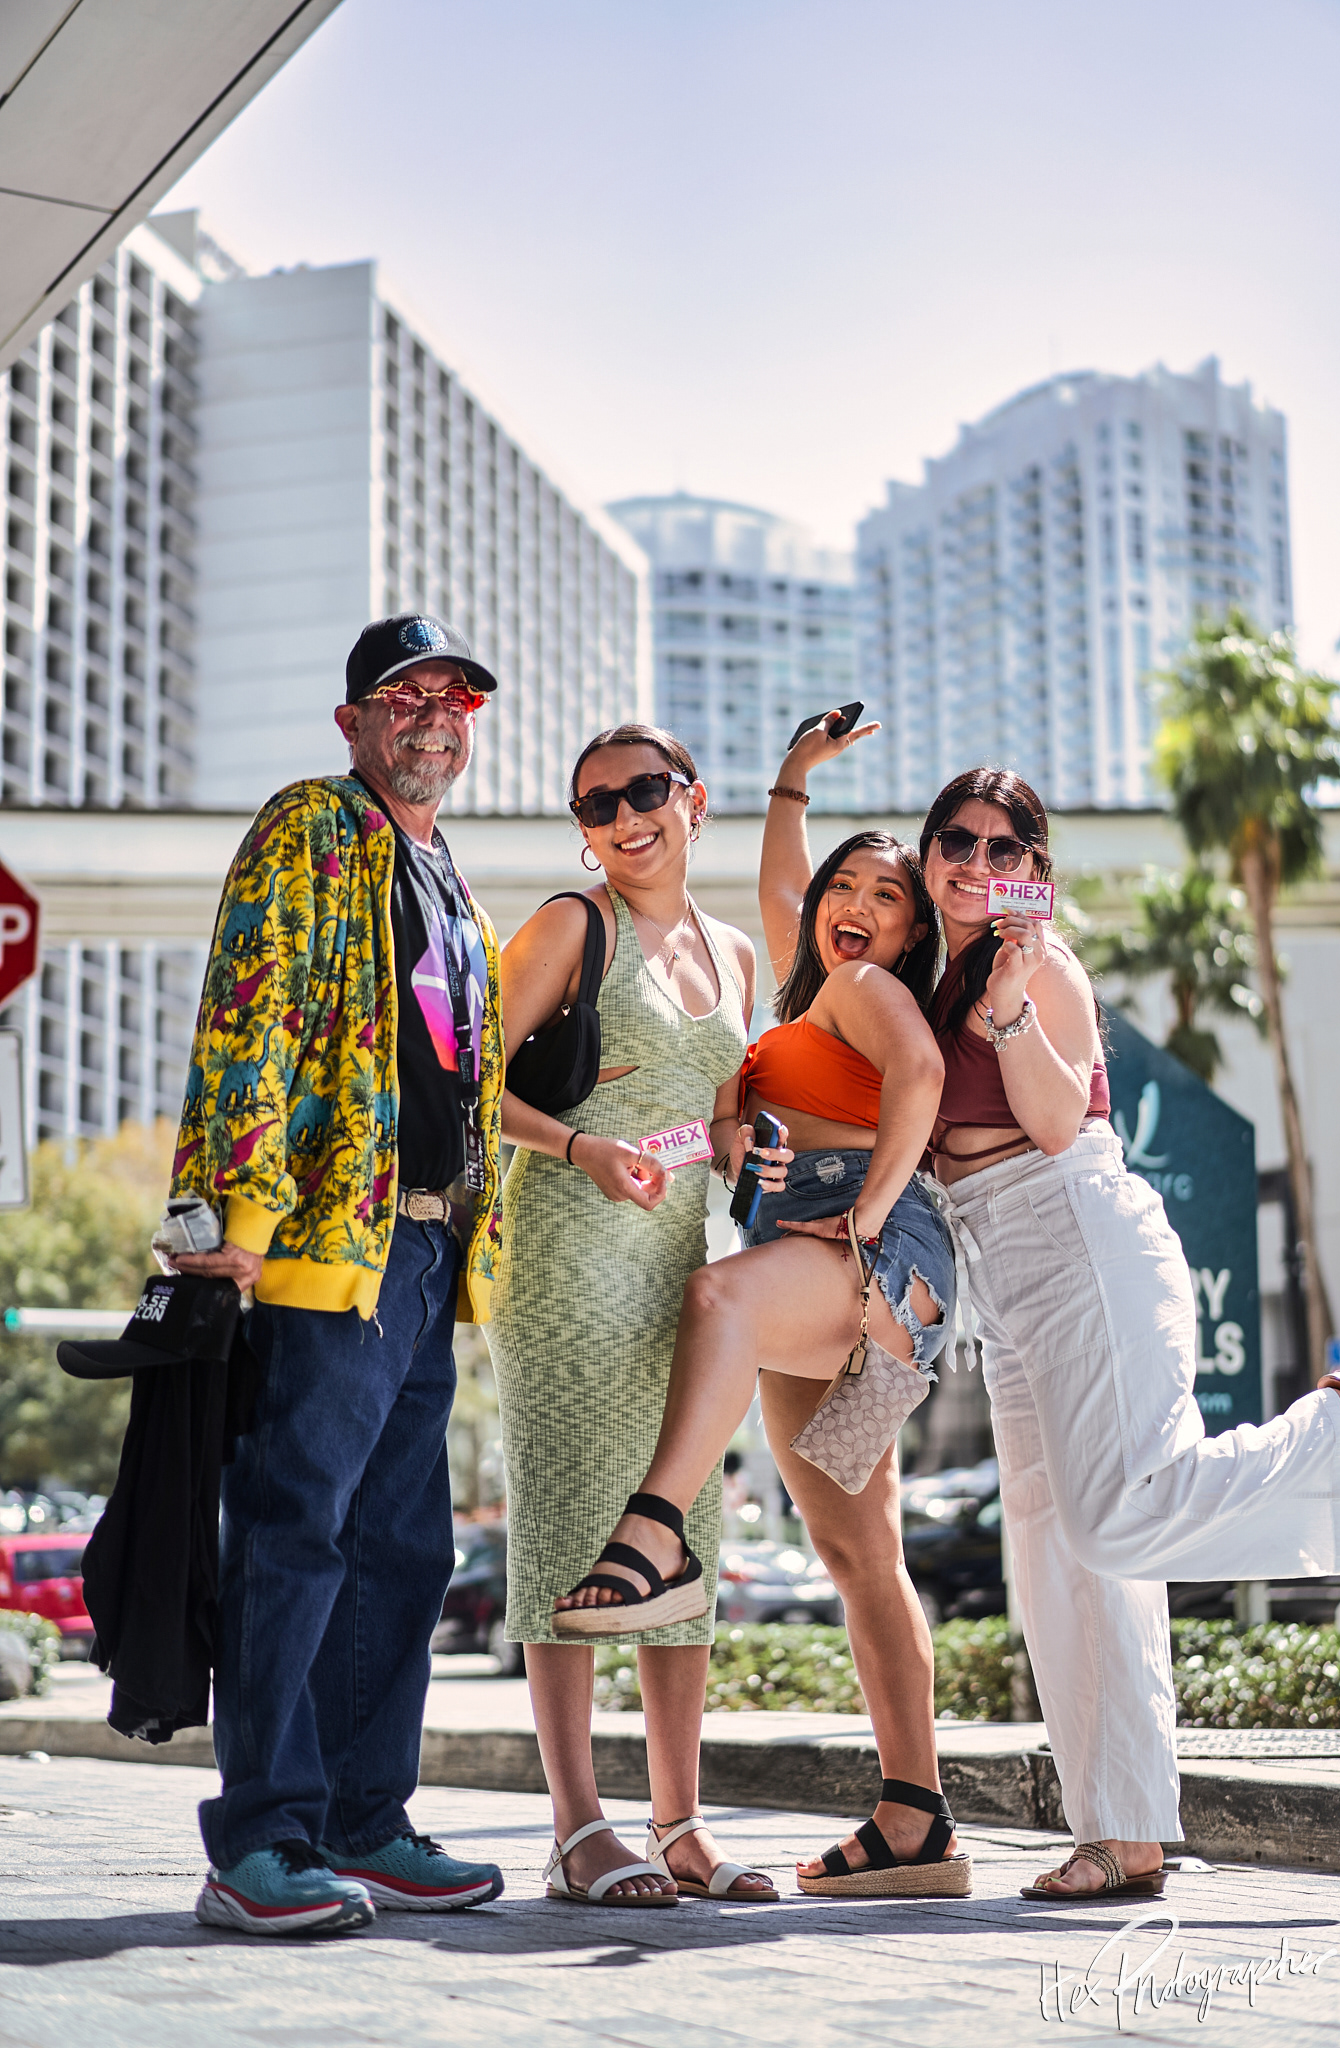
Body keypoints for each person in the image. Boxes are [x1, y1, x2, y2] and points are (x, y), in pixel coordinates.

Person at [764, 730, 1340, 1900]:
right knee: (1058, 1563)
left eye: (1006, 847)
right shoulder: (913, 971)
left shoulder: (1042, 970)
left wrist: (1007, 1012)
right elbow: (800, 899)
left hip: (1080, 1238)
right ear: (929, 854)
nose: (977, 860)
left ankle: (1339, 1426)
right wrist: (794, 781)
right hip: (1002, 1281)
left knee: (1115, 1519)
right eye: (956, 840)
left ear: (1034, 866)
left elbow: (1053, 1123)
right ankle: (1121, 1829)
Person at [552, 787, 970, 1899]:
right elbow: (784, 881)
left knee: (717, 1302)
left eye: (887, 896)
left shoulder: (866, 987)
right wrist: (794, 776)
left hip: (870, 1242)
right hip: (815, 1261)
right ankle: (915, 1819)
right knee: (858, 1554)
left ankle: (655, 1532)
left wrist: (867, 1214)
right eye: (843, 886)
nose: (853, 905)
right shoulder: (809, 993)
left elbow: (923, 1078)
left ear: (912, 931)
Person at [167, 613, 507, 1935]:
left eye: (452, 702)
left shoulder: (446, 872)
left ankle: (367, 1822)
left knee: (403, 1550)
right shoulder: (311, 825)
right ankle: (262, 1838)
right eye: (405, 699)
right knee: (294, 1533)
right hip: (321, 1243)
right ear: (353, 721)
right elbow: (250, 1012)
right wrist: (229, 1217)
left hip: (422, 1249)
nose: (432, 719)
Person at [487, 723, 787, 1907]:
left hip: (677, 1266)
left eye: (644, 790)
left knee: (682, 1523)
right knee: (569, 1520)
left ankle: (681, 1823)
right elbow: (469, 1079)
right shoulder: (574, 924)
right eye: (597, 802)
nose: (623, 816)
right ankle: (576, 1826)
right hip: (564, 1252)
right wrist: (580, 1146)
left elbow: (721, 1116)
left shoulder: (736, 952)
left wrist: (744, 1146)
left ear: (691, 800)